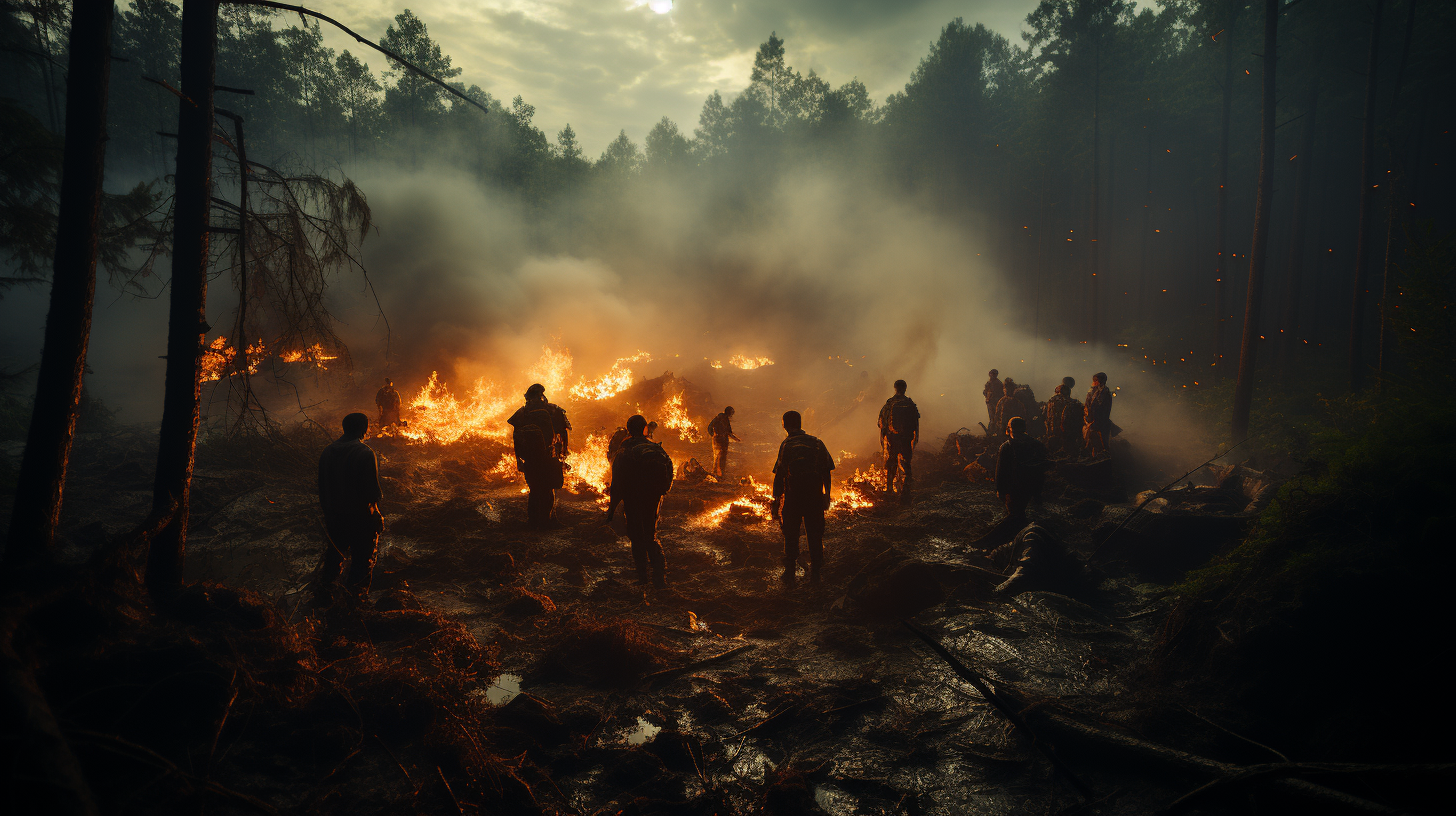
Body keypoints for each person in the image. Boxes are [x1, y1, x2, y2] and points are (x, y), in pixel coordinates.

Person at [315, 412, 384, 600]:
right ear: (364, 428)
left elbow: (322, 486)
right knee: (362, 562)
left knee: (333, 558)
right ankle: (354, 602)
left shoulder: (328, 451)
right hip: (360, 518)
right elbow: (371, 493)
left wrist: (328, 513)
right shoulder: (364, 453)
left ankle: (324, 598)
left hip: (334, 517)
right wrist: (376, 515)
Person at [607, 415, 674, 587]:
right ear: (645, 428)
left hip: (634, 497)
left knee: (637, 537)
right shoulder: (655, 448)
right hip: (653, 497)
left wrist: (611, 509)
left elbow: (617, 481)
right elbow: (669, 469)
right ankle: (660, 579)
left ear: (628, 429)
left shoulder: (626, 449)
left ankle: (643, 578)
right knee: (650, 536)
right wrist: (662, 491)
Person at [770, 410, 835, 584]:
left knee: (791, 535)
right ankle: (815, 574)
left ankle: (790, 573)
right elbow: (827, 470)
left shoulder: (787, 444)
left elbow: (780, 474)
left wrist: (776, 500)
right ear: (800, 423)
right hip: (814, 496)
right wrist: (827, 495)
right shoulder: (817, 443)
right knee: (815, 535)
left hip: (794, 497)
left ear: (784, 424)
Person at [508, 383, 571, 527]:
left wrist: (518, 459)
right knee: (548, 489)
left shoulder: (522, 413)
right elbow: (563, 433)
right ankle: (547, 519)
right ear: (542, 395)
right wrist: (563, 453)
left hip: (530, 458)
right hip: (549, 456)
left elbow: (516, 437)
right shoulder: (552, 410)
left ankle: (534, 521)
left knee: (535, 490)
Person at [996, 416, 1049, 524]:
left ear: (1008, 429)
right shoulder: (1036, 445)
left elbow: (1001, 471)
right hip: (1024, 487)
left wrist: (1001, 491)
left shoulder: (1007, 447)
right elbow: (1001, 470)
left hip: (1025, 487)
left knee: (1018, 515)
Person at [877, 380, 920, 502]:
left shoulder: (889, 404)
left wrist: (886, 436)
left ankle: (890, 489)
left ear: (895, 388)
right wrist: (914, 438)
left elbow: (880, 423)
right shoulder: (910, 404)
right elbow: (916, 424)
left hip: (893, 439)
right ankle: (906, 491)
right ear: (905, 388)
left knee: (892, 462)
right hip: (906, 439)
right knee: (906, 463)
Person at [1083, 372, 1113, 457]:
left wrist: (1095, 421)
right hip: (1091, 422)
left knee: (1102, 444)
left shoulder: (1105, 393)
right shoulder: (1092, 391)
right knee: (1091, 443)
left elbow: (1102, 409)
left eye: (1096, 380)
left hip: (1100, 423)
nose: (1094, 382)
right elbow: (1087, 406)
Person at [706, 406, 740, 479]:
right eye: (731, 413)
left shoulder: (718, 418)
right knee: (721, 457)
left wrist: (713, 435)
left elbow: (710, 427)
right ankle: (719, 474)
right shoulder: (723, 419)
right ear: (729, 412)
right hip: (721, 440)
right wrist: (736, 439)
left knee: (717, 456)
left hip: (717, 439)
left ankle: (715, 473)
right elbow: (729, 432)